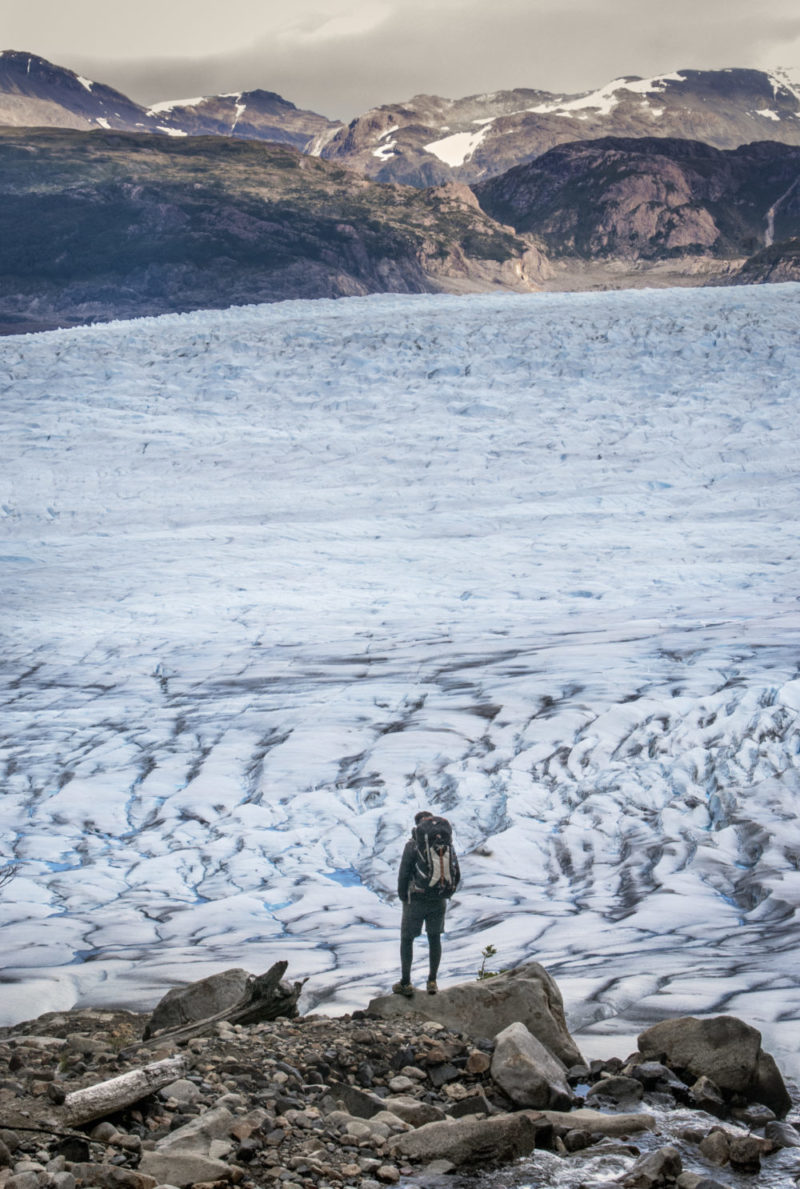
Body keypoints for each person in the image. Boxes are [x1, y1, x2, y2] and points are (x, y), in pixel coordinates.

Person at [393, 810, 460, 997]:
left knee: (407, 939)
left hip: (416, 899)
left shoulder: (413, 845)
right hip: (439, 899)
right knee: (434, 938)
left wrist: (403, 896)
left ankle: (406, 982)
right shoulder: (446, 844)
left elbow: (404, 873)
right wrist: (446, 892)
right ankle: (432, 981)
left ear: (417, 825)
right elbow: (456, 871)